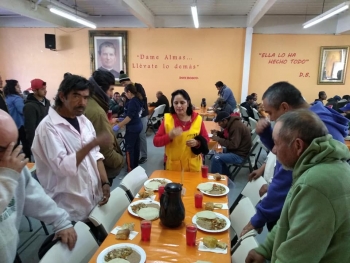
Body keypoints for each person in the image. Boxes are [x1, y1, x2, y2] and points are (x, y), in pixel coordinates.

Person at [240, 81, 349, 237]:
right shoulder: (308, 118)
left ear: (285, 107)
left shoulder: (312, 126)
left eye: (270, 113)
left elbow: (287, 175)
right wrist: (267, 134)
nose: (270, 118)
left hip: (306, 212)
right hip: (296, 201)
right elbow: (285, 154)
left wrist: (260, 217)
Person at [245, 109, 350, 263]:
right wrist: (265, 249)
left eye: (276, 144)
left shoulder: (315, 184)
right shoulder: (320, 164)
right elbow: (288, 219)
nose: (273, 150)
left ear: (298, 146)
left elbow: (296, 257)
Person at [31, 74, 111, 223]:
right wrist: (91, 144)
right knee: (80, 244)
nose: (82, 102)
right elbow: (63, 168)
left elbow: (96, 155)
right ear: (62, 96)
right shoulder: (48, 128)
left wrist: (105, 182)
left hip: (94, 198)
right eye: (76, 96)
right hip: (69, 208)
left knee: (98, 242)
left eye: (86, 97)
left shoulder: (83, 121)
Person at [0, 109, 77, 263]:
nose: (12, 155)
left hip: (9, 253)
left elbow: (31, 193)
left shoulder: (9, 165)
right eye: (3, 149)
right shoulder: (9, 170)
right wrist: (7, 177)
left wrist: (60, 220)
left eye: (14, 146)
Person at [153, 89, 209, 172]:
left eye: (182, 102)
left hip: (194, 167)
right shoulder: (167, 120)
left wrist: (197, 143)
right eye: (176, 103)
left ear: (188, 103)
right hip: (173, 168)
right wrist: (169, 136)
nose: (179, 106)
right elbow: (156, 142)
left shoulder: (198, 119)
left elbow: (206, 139)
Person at [85, 71, 124, 186]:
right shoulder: (97, 112)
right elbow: (105, 151)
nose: (112, 94)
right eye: (111, 89)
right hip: (100, 169)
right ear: (101, 89)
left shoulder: (90, 103)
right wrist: (120, 161)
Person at [119, 71, 149, 164]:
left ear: (128, 80)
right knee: (136, 139)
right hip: (134, 117)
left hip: (141, 115)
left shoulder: (138, 86)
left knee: (141, 135)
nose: (124, 85)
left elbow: (143, 99)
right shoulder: (128, 93)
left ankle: (144, 155)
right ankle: (135, 157)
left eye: (124, 83)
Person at [210, 111, 251, 176]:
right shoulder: (232, 124)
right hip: (236, 151)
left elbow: (233, 145)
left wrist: (218, 139)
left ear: (225, 120)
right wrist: (218, 133)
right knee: (217, 152)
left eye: (219, 122)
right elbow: (228, 137)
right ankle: (226, 176)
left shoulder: (235, 127)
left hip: (239, 155)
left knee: (216, 158)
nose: (219, 124)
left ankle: (215, 181)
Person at [113, 84, 143, 172]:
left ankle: (130, 168)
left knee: (129, 148)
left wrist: (118, 126)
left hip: (133, 127)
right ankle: (135, 166)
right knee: (135, 147)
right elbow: (132, 115)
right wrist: (120, 118)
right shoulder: (137, 100)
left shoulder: (133, 102)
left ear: (129, 92)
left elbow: (129, 117)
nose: (125, 95)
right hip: (137, 125)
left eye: (126, 93)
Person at [3, 79, 31, 161]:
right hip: (20, 124)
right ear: (13, 87)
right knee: (25, 144)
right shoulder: (16, 98)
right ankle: (28, 160)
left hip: (11, 124)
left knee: (14, 144)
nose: (20, 88)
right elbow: (22, 110)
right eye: (17, 86)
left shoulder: (7, 97)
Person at [23, 79, 51, 150]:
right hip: (38, 140)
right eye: (42, 89)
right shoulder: (29, 106)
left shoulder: (47, 102)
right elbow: (30, 128)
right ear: (35, 91)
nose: (45, 91)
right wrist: (34, 145)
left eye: (45, 88)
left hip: (48, 137)